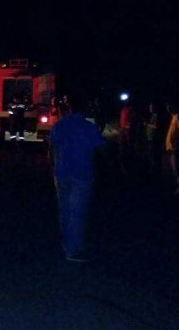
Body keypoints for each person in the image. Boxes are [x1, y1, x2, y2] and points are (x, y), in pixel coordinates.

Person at [49, 93, 106, 262]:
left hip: (61, 173)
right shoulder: (88, 127)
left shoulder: (59, 126)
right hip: (81, 173)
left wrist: (53, 168)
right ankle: (74, 250)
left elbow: (51, 150)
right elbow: (102, 150)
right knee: (77, 213)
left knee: (64, 210)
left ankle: (67, 244)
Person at [165, 103, 179, 195]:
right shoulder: (174, 117)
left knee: (178, 166)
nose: (168, 109)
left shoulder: (177, 117)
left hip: (176, 146)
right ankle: (178, 185)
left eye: (169, 107)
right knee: (175, 166)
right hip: (172, 146)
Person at [145, 102, 166, 172]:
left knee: (153, 153)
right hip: (150, 137)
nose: (150, 108)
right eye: (150, 107)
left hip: (153, 138)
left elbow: (156, 126)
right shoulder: (153, 115)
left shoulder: (156, 116)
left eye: (151, 107)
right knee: (151, 153)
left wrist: (147, 124)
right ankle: (154, 167)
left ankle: (155, 168)